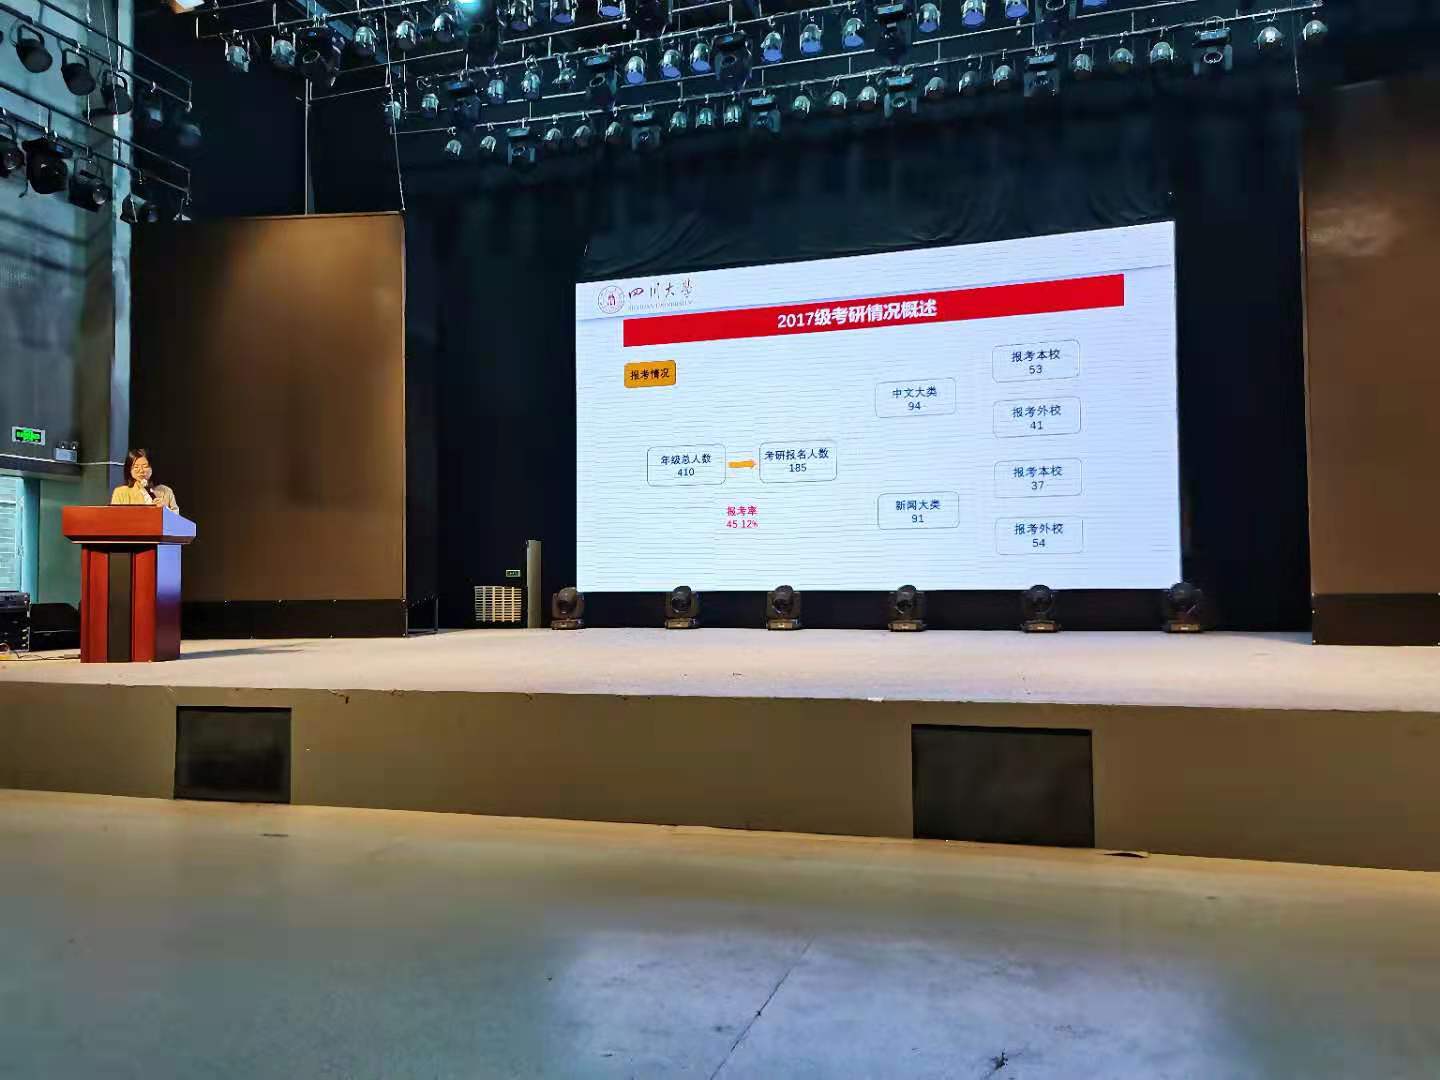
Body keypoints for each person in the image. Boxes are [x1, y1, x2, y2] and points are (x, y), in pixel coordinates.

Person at [111, 448, 180, 513]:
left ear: (152, 467)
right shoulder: (120, 492)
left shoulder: (166, 491)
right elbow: (114, 516)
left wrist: (165, 509)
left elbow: (177, 518)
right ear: (129, 470)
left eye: (145, 466)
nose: (141, 470)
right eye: (136, 467)